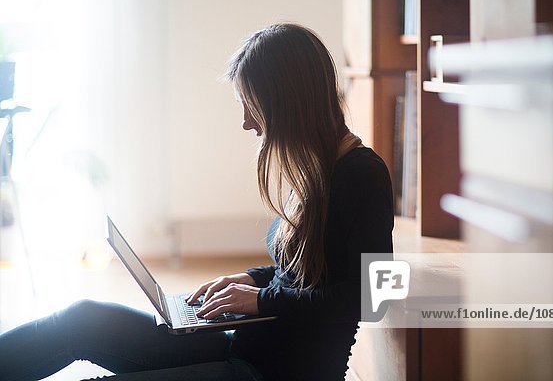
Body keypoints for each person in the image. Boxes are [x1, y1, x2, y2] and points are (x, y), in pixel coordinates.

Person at [0, 23, 393, 381]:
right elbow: (302, 274)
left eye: (251, 105)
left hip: (272, 373)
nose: (246, 122)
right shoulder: (312, 167)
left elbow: (375, 298)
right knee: (82, 319)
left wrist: (260, 299)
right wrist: (251, 280)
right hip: (243, 349)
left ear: (285, 104)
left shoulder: (361, 174)